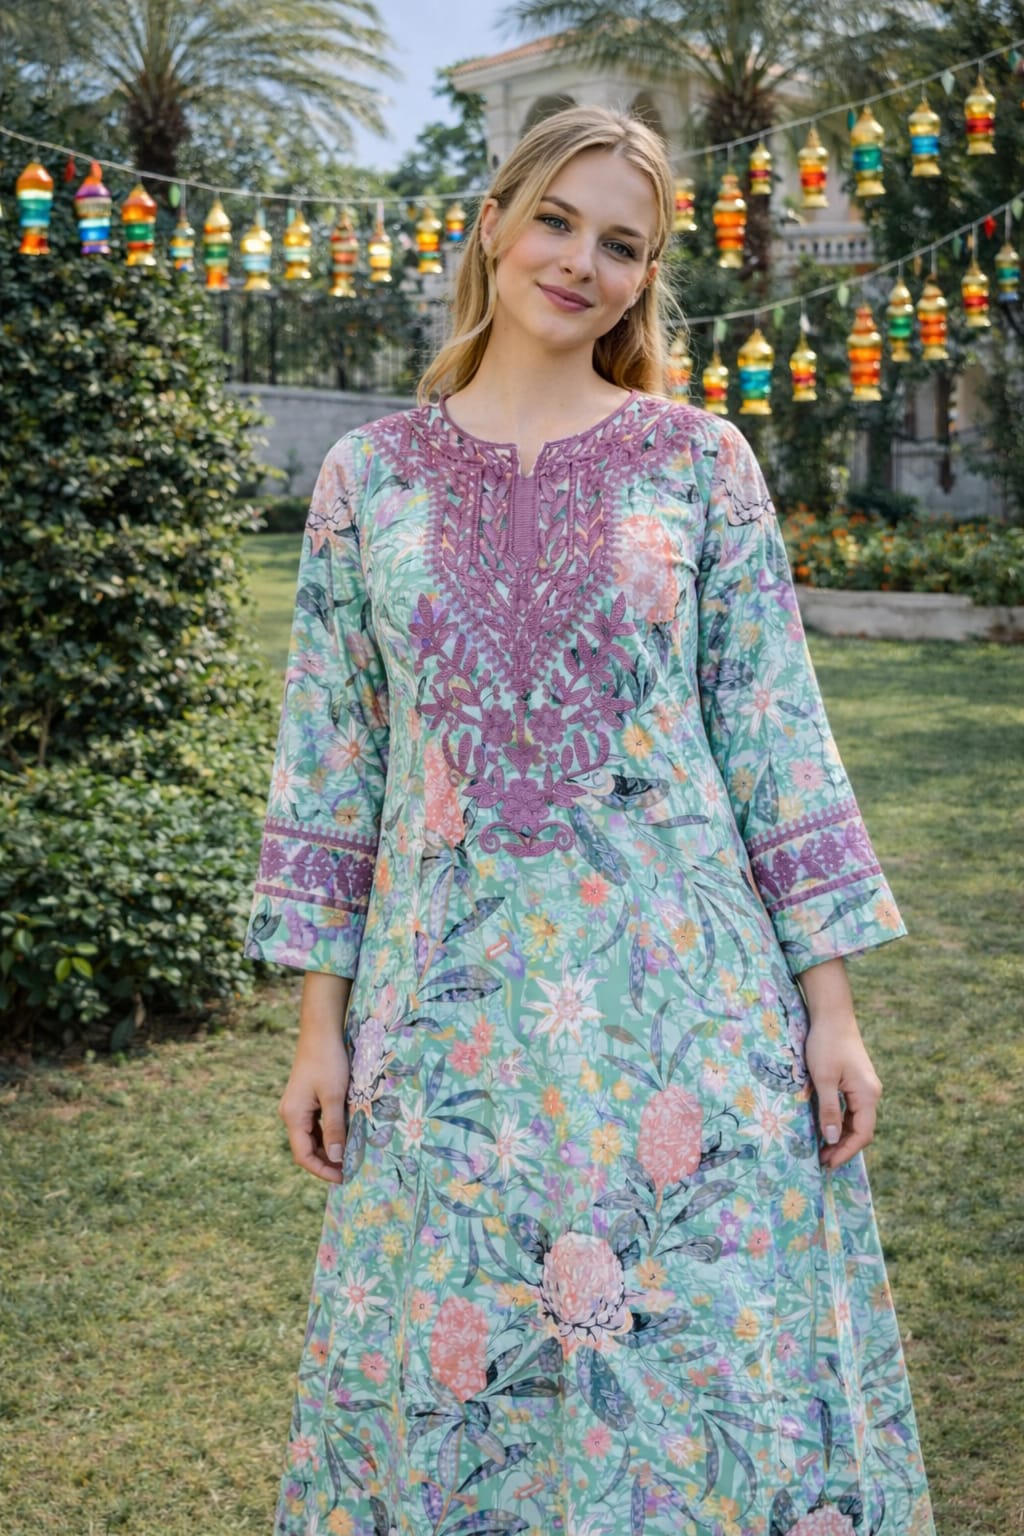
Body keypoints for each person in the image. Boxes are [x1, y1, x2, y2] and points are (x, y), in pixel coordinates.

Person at [244, 105, 934, 1536]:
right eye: (557, 220)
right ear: (493, 224)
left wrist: (833, 1010)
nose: (580, 262)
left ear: (644, 281)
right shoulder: (369, 479)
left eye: (622, 245)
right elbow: (333, 764)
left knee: (701, 1381)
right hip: (449, 1027)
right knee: (462, 1379)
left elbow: (772, 735)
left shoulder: (700, 462)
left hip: (687, 1018)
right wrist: (322, 1025)